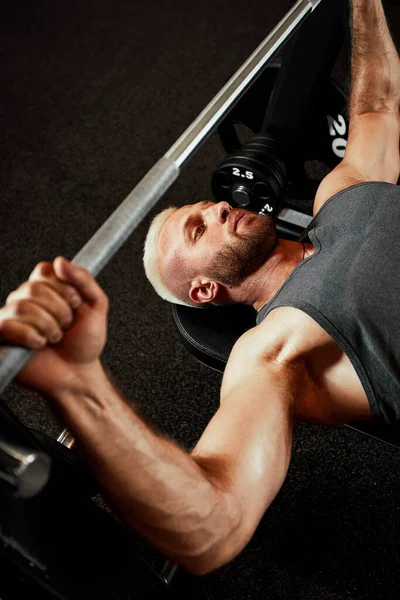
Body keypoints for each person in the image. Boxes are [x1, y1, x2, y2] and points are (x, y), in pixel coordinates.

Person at [0, 0, 399, 578]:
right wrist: (77, 384)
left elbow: (377, 106)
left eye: (205, 209)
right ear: (206, 291)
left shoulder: (337, 198)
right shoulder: (272, 353)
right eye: (199, 228)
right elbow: (216, 524)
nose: (216, 209)